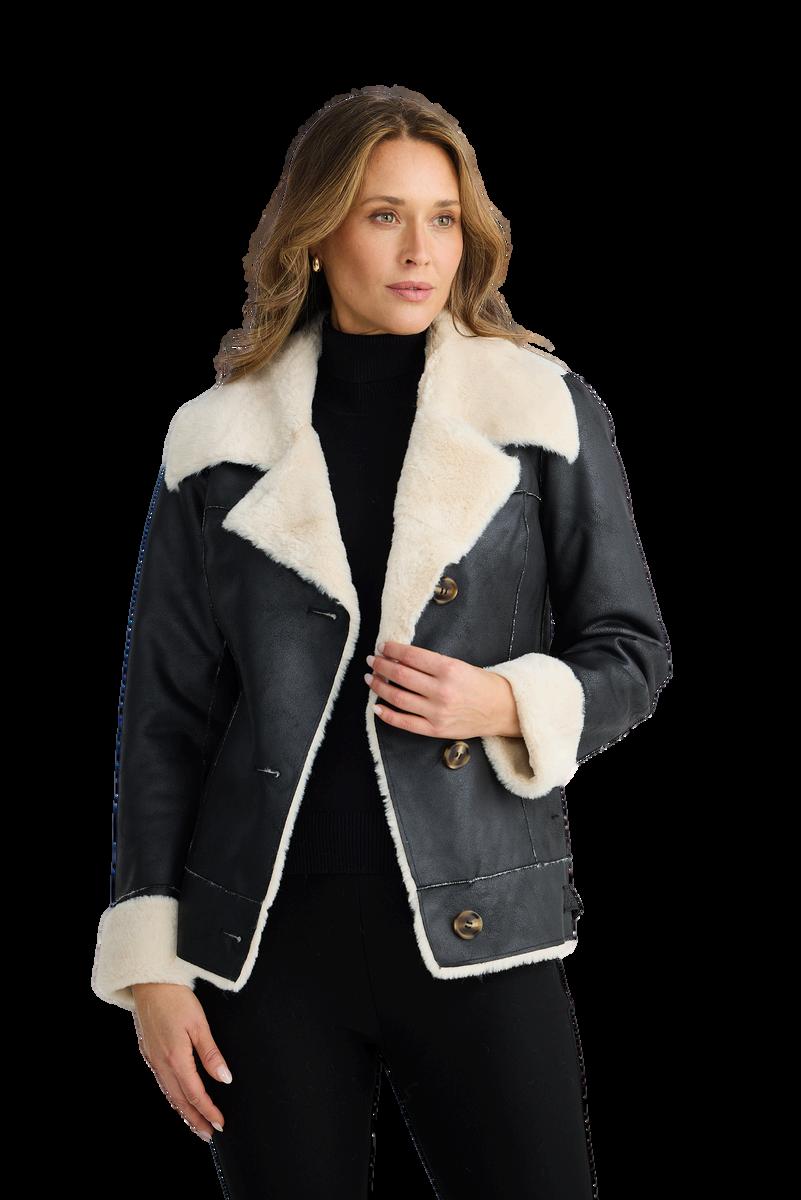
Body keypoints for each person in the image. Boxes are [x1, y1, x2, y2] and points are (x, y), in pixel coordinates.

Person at [91, 84, 672, 1199]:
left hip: (483, 925)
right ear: (317, 234)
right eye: (383, 215)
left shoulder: (539, 408)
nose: (421, 251)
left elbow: (632, 649)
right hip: (262, 947)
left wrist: (505, 702)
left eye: (443, 218)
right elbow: (164, 718)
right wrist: (152, 969)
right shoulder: (215, 438)